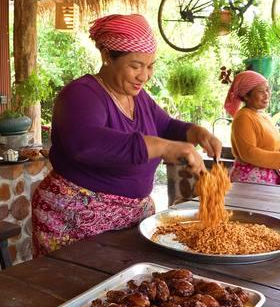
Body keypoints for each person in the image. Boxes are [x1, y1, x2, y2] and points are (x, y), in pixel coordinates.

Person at [32, 14, 222, 257]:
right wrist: (163, 147)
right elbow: (85, 144)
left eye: (150, 66)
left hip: (130, 219)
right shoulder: (80, 94)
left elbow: (165, 125)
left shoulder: (138, 97)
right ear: (107, 56)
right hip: (75, 221)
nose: (144, 76)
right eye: (135, 66)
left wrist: (196, 132)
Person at [224, 70, 280, 185]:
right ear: (246, 95)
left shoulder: (262, 116)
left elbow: (273, 146)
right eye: (261, 91)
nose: (267, 94)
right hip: (250, 181)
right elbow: (249, 153)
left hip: (265, 180)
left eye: (267, 89)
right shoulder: (243, 117)